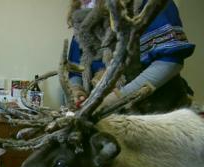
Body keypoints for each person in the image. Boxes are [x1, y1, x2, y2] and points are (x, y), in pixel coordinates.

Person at [67, 0, 195, 113]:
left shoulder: (145, 4)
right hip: (107, 118)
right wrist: (77, 91)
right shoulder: (82, 20)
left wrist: (118, 98)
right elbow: (76, 71)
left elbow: (169, 61)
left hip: (156, 113)